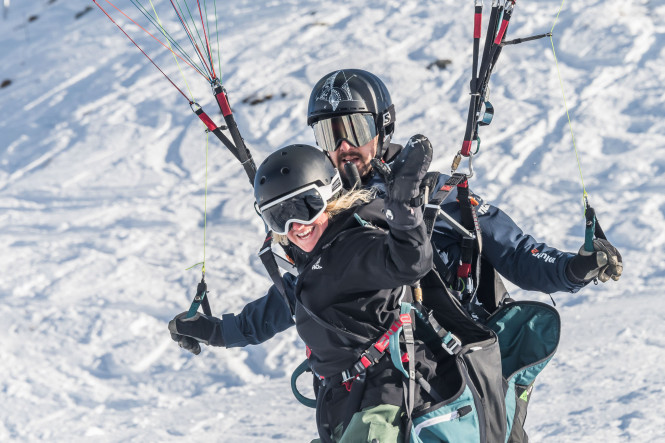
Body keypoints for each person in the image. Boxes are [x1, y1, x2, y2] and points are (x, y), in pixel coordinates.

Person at [171, 140, 437, 441]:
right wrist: (217, 332)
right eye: (279, 217)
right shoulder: (317, 262)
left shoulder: (355, 245)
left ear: (330, 196)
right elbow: (288, 301)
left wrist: (404, 207)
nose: (295, 225)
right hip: (341, 403)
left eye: (304, 207)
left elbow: (409, 262)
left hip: (380, 401)